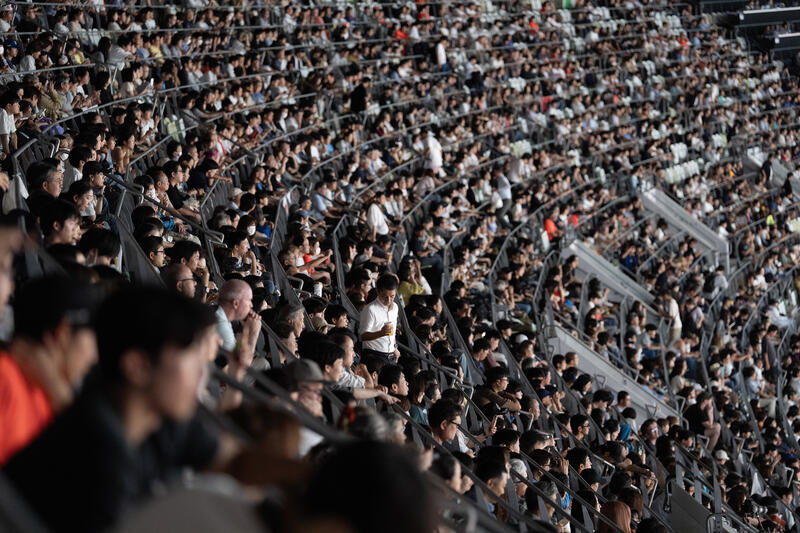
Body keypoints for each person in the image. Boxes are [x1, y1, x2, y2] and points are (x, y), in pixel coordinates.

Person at [3, 288, 233, 533]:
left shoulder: (158, 420)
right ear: (138, 367)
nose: (202, 374)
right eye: (191, 357)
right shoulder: (99, 453)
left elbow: (233, 457)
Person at [0, 277, 100, 464]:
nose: (93, 357)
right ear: (62, 333)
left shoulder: (48, 393)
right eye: (93, 342)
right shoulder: (5, 378)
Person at [359, 273, 399, 362]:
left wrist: (394, 347)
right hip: (374, 356)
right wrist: (381, 333)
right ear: (378, 291)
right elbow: (362, 336)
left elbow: (392, 332)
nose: (389, 300)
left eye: (392, 296)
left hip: (390, 355)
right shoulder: (370, 309)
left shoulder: (395, 307)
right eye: (385, 297)